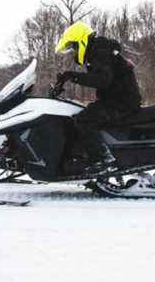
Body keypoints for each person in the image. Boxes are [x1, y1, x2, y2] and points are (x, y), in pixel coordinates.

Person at [54, 21, 142, 174]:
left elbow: (102, 80)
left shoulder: (100, 52)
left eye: (74, 46)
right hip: (117, 100)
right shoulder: (99, 50)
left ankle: (103, 159)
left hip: (121, 102)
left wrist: (71, 76)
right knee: (85, 114)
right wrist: (68, 77)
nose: (74, 52)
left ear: (81, 40)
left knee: (83, 120)